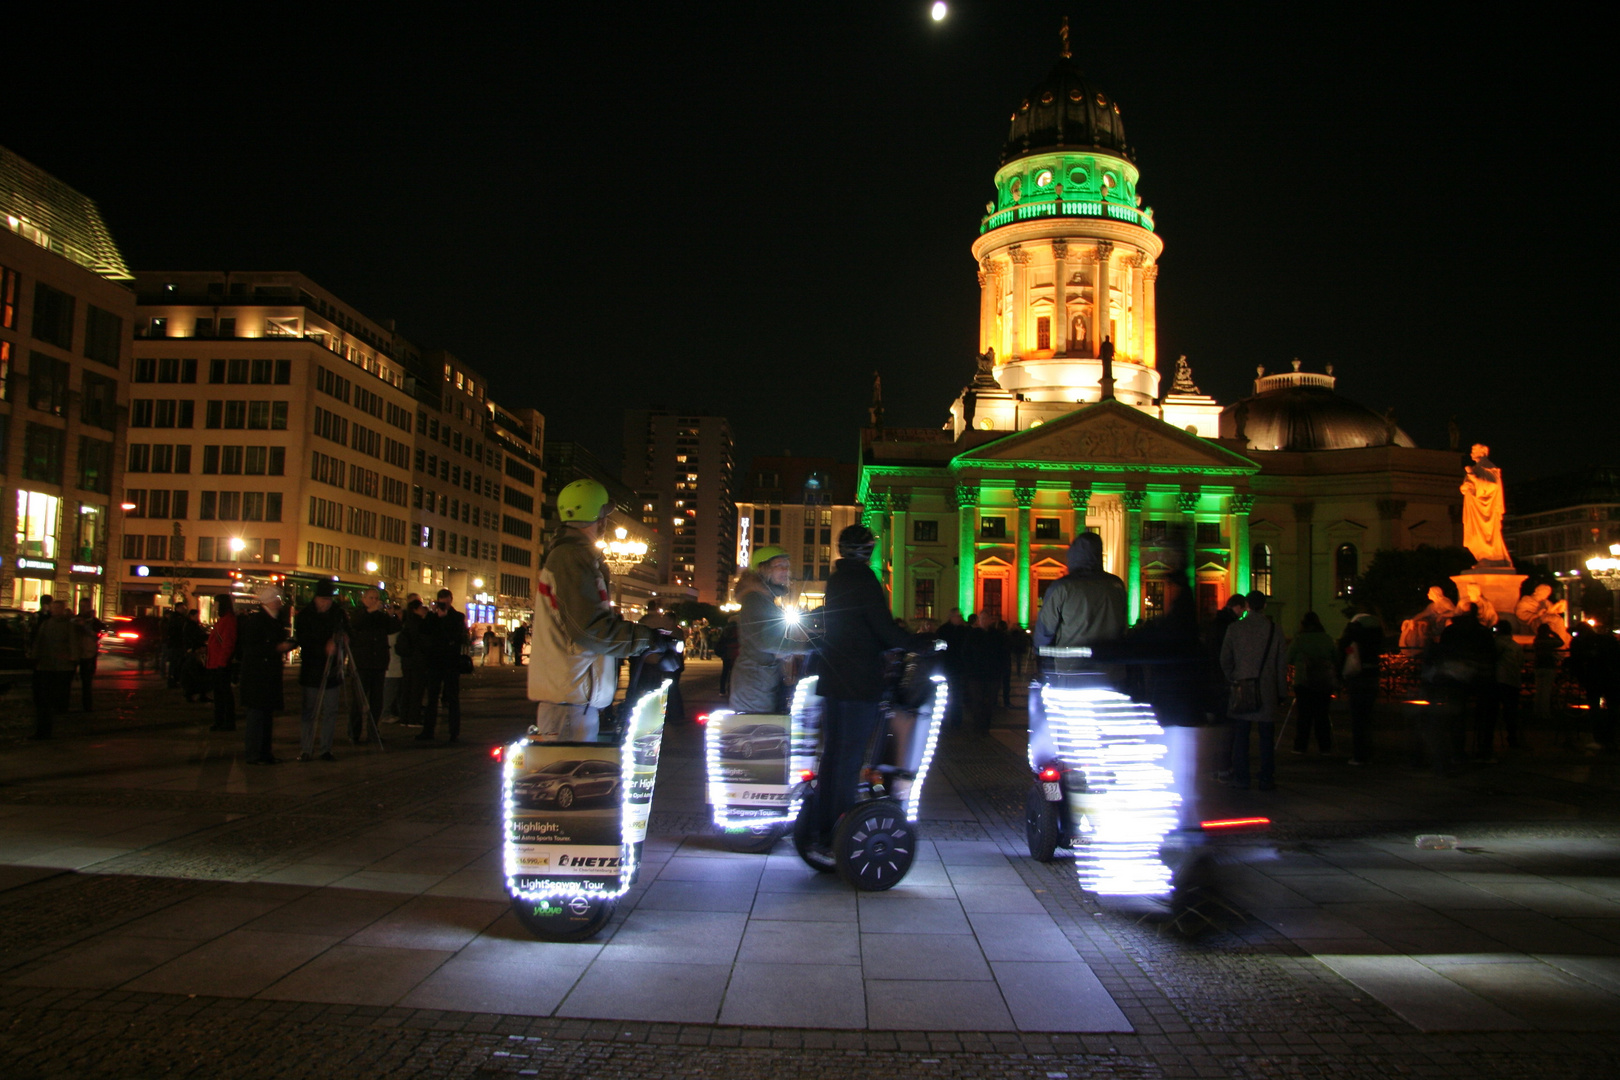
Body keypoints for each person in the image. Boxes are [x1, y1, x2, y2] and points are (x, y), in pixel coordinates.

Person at [810, 524, 912, 864]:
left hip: (834, 681)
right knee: (849, 759)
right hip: (859, 683)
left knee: (834, 757)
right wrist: (922, 643)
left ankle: (823, 830)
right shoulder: (866, 580)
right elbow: (882, 629)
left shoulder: (837, 579)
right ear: (868, 550)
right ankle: (836, 836)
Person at [529, 479, 660, 741]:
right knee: (567, 776)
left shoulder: (575, 556)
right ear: (599, 519)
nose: (605, 523)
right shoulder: (570, 558)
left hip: (575, 700)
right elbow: (589, 630)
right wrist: (646, 638)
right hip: (569, 702)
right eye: (605, 516)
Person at [728, 546, 810, 713]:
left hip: (760, 683)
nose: (786, 570)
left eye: (787, 566)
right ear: (762, 569)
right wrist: (810, 646)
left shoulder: (763, 599)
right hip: (754, 688)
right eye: (779, 565)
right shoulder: (755, 599)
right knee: (758, 735)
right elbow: (768, 643)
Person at [1220, 590, 1288, 790]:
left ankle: (1242, 777)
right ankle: (1266, 778)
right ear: (1265, 606)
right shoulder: (1275, 629)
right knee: (1267, 736)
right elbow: (1281, 664)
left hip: (1242, 686)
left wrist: (1233, 677)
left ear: (1247, 605)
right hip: (1266, 688)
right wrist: (1281, 691)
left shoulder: (1235, 628)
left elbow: (1225, 659)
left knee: (1242, 734)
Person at [1033, 532, 1127, 664]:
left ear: (1073, 555)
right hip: (1109, 667)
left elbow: (1045, 629)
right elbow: (1123, 626)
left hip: (1071, 668)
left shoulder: (1062, 587)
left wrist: (1039, 649)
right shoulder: (1116, 585)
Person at [294, 580, 349, 761]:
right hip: (312, 669)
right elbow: (303, 640)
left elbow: (349, 633)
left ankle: (326, 748)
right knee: (310, 711)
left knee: (330, 711)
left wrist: (344, 640)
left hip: (332, 670)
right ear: (316, 598)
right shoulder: (305, 615)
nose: (326, 603)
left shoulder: (338, 614)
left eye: (329, 599)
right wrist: (323, 647)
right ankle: (306, 748)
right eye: (323, 599)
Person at [238, 586, 293, 764]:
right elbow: (253, 648)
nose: (280, 602)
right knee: (257, 716)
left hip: (267, 675)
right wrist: (276, 648)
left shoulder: (273, 620)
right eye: (277, 599)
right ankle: (254, 753)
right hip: (258, 676)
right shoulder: (258, 621)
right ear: (269, 601)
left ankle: (264, 752)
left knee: (266, 716)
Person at [27, 600, 84, 739]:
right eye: (53, 608)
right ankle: (44, 728)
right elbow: (39, 642)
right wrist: (34, 657)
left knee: (49, 698)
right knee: (43, 698)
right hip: (46, 665)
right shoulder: (47, 624)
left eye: (57, 608)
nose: (54, 610)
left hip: (59, 667)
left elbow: (73, 644)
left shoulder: (68, 625)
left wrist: (72, 659)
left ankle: (47, 728)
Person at [418, 589, 469, 742]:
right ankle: (428, 731)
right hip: (435, 662)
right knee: (432, 698)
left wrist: (445, 619)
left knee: (452, 698)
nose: (443, 603)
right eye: (441, 600)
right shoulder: (433, 617)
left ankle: (454, 732)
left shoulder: (457, 617)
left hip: (451, 662)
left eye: (445, 600)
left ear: (450, 600)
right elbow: (425, 632)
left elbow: (456, 636)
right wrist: (432, 616)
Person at [349, 589, 400, 742]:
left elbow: (393, 628)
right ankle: (354, 732)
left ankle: (373, 731)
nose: (374, 601)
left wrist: (392, 615)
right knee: (358, 700)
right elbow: (355, 625)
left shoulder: (381, 616)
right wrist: (370, 612)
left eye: (376, 598)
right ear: (364, 599)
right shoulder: (357, 613)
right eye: (371, 598)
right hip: (362, 663)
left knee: (376, 701)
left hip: (378, 663)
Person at [1338, 606, 1384, 765]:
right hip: (1373, 675)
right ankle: (1369, 751)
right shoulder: (1377, 629)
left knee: (1357, 717)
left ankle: (1359, 754)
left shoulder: (1354, 628)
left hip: (1357, 675)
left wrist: (1340, 675)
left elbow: (1343, 648)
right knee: (1368, 716)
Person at [1288, 612, 1337, 755]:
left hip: (1303, 681)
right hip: (1323, 681)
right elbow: (1335, 658)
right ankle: (1325, 746)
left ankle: (1300, 746)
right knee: (1322, 715)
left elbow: (1289, 658)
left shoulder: (1299, 640)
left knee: (1304, 715)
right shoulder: (1327, 639)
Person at [639, 604, 687, 724]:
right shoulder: (674, 630)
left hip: (671, 664)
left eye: (666, 618)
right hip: (673, 664)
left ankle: (674, 714)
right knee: (672, 688)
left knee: (672, 688)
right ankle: (674, 713)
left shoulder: (673, 631)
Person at [1487, 620, 1525, 756]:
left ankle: (1488, 741)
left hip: (1498, 680)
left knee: (1492, 711)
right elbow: (1521, 663)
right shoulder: (1516, 646)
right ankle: (1512, 738)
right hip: (1513, 681)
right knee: (1511, 711)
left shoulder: (1496, 643)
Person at [204, 594, 239, 731]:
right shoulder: (225, 620)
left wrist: (222, 663)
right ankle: (222, 721)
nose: (215, 606)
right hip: (217, 662)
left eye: (216, 603)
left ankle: (225, 721)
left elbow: (227, 644)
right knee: (220, 694)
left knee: (222, 694)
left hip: (220, 663)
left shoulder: (227, 621)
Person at [395, 598, 428, 727]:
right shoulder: (419, 623)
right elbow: (423, 642)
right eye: (420, 608)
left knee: (406, 689)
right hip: (418, 661)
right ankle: (413, 718)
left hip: (407, 661)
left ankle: (404, 717)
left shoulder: (406, 623)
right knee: (416, 690)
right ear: (415, 610)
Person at [73, 599, 106, 712]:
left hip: (88, 654)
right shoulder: (75, 619)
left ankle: (87, 706)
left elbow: (99, 633)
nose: (83, 608)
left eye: (85, 606)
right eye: (81, 606)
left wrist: (86, 628)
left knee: (87, 682)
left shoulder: (94, 621)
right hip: (76, 653)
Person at [717, 619, 741, 696]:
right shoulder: (738, 632)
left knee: (725, 672)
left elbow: (721, 643)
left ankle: (722, 690)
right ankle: (731, 689)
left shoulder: (725, 632)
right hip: (735, 654)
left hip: (727, 655)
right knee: (733, 673)